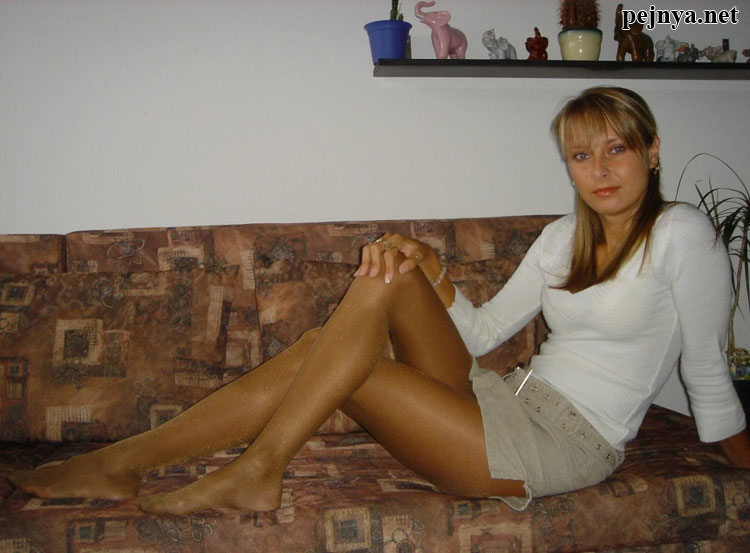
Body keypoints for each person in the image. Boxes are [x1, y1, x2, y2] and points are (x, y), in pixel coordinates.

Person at [10, 86, 750, 514]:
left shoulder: (681, 233)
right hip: (505, 398)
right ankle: (133, 462)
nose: (600, 170)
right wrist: (433, 270)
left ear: (652, 150)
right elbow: (485, 331)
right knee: (387, 274)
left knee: (335, 356)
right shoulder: (563, 238)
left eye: (617, 148)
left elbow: (707, 370)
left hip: (565, 443)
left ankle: (248, 466)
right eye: (582, 155)